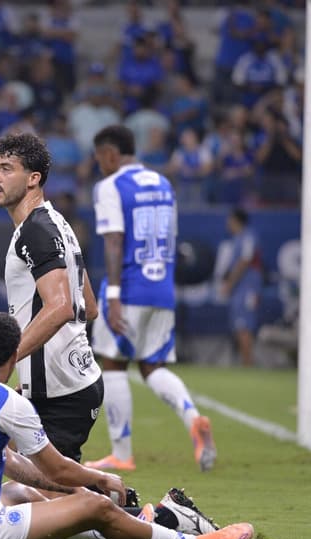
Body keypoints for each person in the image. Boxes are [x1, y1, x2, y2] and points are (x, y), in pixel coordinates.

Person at [0, 311, 253, 539]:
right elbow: (56, 468)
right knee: (93, 504)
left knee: (20, 490)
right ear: (16, 354)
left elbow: (12, 464)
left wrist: (73, 489)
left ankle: (122, 528)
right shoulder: (7, 401)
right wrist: (99, 480)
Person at [85, 125, 216, 473]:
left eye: (99, 158)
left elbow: (114, 242)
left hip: (127, 286)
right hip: (162, 287)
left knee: (112, 363)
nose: (99, 165)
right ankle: (193, 419)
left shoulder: (111, 186)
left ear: (111, 154)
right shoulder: (163, 183)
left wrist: (113, 296)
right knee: (153, 365)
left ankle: (121, 452)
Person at [0, 133, 103, 463]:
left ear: (33, 179)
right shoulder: (57, 223)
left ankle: (163, 515)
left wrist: (8, 362)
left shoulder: (36, 231)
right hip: (65, 384)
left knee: (52, 504)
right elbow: (89, 307)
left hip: (61, 395)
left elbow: (61, 306)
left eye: (7, 169)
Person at [220, 208, 264, 367]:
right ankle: (246, 363)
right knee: (240, 326)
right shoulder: (237, 239)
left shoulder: (248, 237)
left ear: (236, 220)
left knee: (244, 326)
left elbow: (245, 261)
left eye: (229, 220)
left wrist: (230, 283)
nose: (227, 223)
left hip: (248, 288)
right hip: (240, 289)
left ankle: (248, 364)